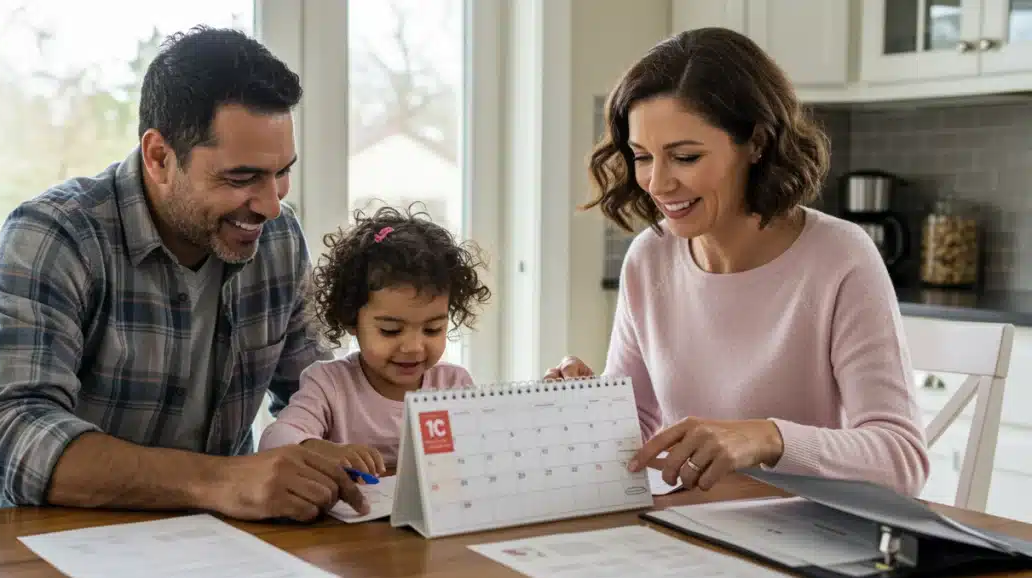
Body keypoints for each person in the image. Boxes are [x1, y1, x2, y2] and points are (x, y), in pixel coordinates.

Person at [0, 26, 369, 521]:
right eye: (242, 177)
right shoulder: (57, 235)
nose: (270, 204)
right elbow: (7, 435)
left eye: (282, 172)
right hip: (49, 544)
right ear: (159, 157)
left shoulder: (279, 239)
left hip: (218, 543)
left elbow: (316, 397)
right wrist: (221, 480)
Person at [545, 27, 929, 496]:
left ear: (758, 143)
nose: (658, 183)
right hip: (685, 524)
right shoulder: (650, 256)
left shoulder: (839, 257)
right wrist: (583, 410)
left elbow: (902, 460)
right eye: (642, 157)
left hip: (799, 528)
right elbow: (637, 430)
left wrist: (767, 438)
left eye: (685, 157)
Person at [258, 204, 489, 474]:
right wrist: (317, 448)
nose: (413, 348)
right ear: (350, 319)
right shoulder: (329, 385)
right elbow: (274, 440)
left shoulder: (453, 385)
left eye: (432, 329)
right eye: (391, 330)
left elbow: (485, 451)